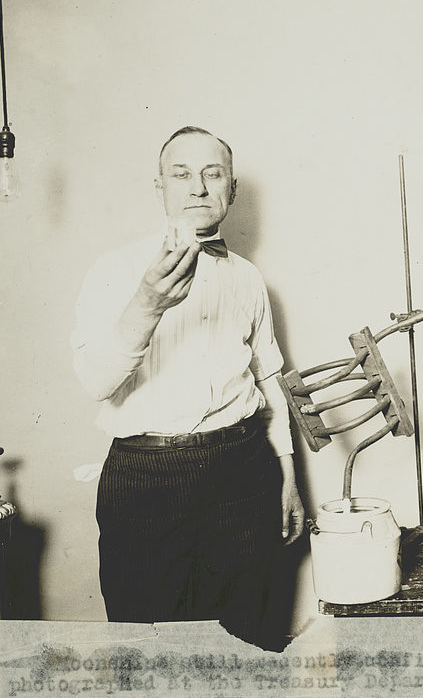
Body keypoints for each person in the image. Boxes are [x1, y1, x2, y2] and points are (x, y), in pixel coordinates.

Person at [70, 126, 304, 650]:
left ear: (231, 190)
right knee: (149, 655)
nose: (198, 187)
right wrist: (148, 304)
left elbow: (269, 378)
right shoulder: (112, 271)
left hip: (243, 472)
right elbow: (95, 382)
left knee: (249, 644)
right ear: (161, 188)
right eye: (181, 174)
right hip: (146, 477)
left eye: (212, 173)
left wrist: (289, 478)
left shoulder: (247, 277)